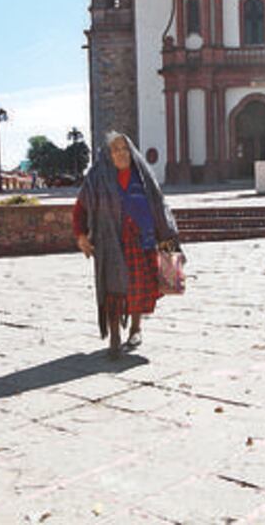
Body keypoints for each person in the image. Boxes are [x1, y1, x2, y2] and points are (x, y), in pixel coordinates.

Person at [73, 131, 179, 359]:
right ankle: (114, 336)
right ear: (107, 154)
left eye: (124, 149)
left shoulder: (143, 176)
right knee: (113, 290)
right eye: (115, 150)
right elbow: (80, 207)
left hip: (142, 241)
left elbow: (160, 204)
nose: (121, 154)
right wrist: (81, 235)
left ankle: (135, 328)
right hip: (110, 241)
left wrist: (168, 237)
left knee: (139, 287)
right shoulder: (97, 177)